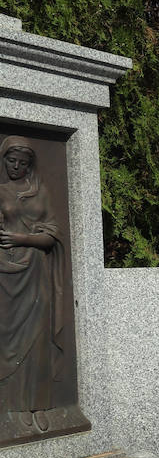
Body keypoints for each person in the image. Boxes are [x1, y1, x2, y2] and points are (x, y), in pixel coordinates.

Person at [0, 137, 66, 429]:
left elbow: (52, 234)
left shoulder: (41, 193)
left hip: (37, 272)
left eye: (23, 163)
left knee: (38, 339)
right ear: (3, 160)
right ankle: (12, 404)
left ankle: (38, 405)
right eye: (11, 161)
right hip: (6, 273)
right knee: (8, 339)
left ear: (30, 165)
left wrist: (21, 238)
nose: (16, 167)